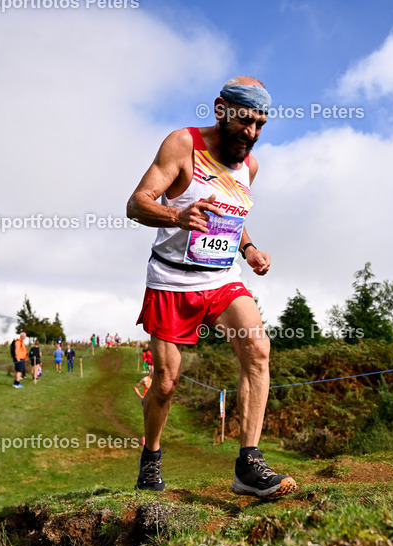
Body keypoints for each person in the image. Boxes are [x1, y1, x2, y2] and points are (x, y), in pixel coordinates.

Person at [126, 76, 295, 499]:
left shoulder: (249, 167)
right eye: (244, 121)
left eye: (260, 124)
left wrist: (250, 248)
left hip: (220, 279)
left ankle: (248, 465)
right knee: (165, 382)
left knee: (258, 350)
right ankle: (151, 456)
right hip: (171, 281)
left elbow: (231, 216)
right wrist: (176, 217)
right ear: (221, 109)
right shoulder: (183, 145)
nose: (251, 133)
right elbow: (136, 203)